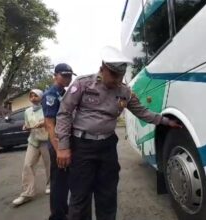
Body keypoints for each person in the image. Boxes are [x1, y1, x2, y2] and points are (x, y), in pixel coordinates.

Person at [55, 46, 182, 220]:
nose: (117, 80)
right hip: (82, 147)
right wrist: (63, 147)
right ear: (102, 69)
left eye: (121, 76)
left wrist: (167, 121)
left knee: (107, 195)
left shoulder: (124, 91)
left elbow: (142, 112)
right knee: (80, 196)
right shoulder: (82, 84)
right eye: (114, 75)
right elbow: (64, 113)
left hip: (107, 147)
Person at [42, 63, 75, 220]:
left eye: (69, 75)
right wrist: (58, 149)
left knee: (65, 180)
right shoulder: (51, 94)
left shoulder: (65, 93)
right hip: (57, 144)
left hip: (66, 142)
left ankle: (64, 210)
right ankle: (56, 216)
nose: (67, 78)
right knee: (58, 182)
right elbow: (49, 124)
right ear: (55, 75)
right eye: (64, 75)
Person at [12, 89, 51, 206]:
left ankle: (50, 185)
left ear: (41, 97)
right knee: (27, 165)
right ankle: (27, 193)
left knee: (49, 165)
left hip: (46, 140)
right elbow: (27, 123)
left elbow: (52, 122)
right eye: (31, 96)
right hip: (33, 141)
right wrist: (26, 126)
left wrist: (44, 123)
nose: (33, 98)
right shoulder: (27, 111)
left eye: (36, 96)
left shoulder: (47, 108)